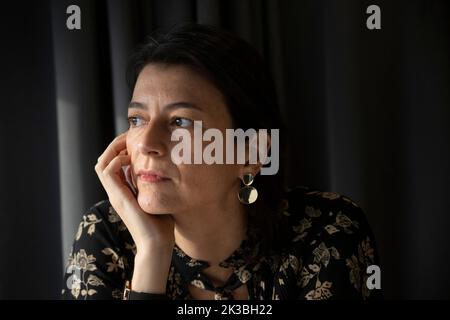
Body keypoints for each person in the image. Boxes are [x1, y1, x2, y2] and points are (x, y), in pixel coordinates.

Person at [61, 23, 381, 300]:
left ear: (252, 153)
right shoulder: (105, 236)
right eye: (136, 119)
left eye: (181, 122)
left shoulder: (327, 231)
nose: (145, 143)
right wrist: (152, 253)